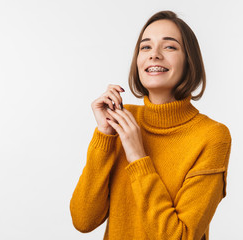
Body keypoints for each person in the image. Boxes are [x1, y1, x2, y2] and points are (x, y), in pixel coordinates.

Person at [70, 10, 232, 240]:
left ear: (189, 60)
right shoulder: (122, 120)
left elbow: (180, 237)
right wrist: (104, 137)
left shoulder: (212, 136)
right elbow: (83, 220)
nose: (154, 54)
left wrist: (137, 156)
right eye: (145, 47)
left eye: (169, 47)